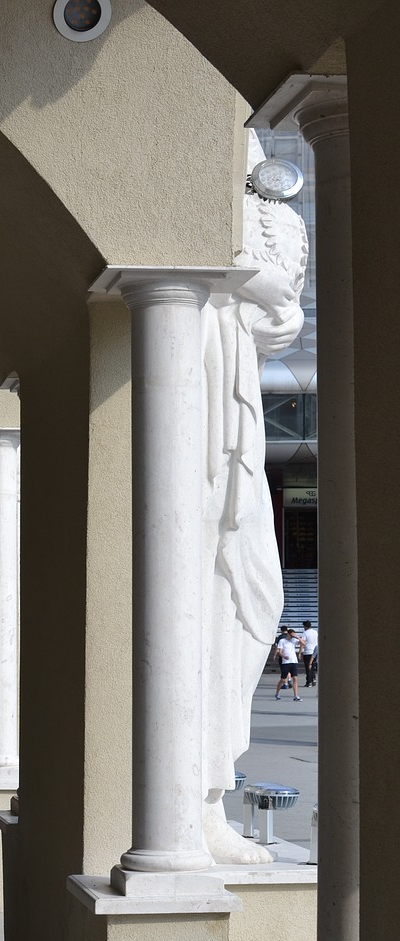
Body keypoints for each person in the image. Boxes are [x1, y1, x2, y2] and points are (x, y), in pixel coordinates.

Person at [201, 130, 309, 863]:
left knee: (254, 598)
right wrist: (242, 278)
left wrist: (275, 302)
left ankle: (204, 793)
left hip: (232, 404)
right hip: (199, 394)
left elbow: (281, 322)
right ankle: (194, 805)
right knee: (207, 597)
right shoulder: (202, 159)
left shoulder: (268, 200)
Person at [275, 629, 301, 701]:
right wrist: (284, 656)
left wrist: (297, 637)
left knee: (295, 678)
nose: (293, 636)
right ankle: (277, 693)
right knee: (283, 680)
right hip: (286, 662)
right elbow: (280, 652)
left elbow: (303, 643)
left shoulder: (293, 641)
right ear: (288, 634)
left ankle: (296, 695)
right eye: (292, 635)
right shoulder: (282, 641)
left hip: (294, 661)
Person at [300, 620, 318, 687]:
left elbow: (302, 642)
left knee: (308, 667)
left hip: (308, 651)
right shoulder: (315, 632)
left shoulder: (305, 633)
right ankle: (313, 679)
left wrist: (300, 652)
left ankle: (309, 682)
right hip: (315, 651)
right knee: (313, 666)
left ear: (305, 626)